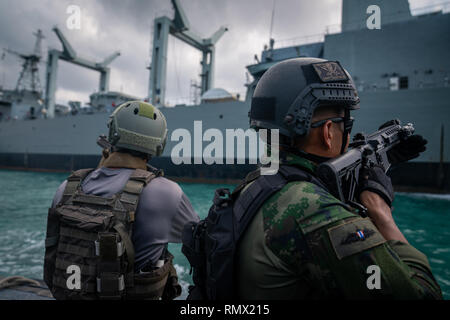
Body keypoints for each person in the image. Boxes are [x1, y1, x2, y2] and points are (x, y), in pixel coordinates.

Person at [234, 58, 442, 299]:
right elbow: (424, 295)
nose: (350, 134)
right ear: (327, 133)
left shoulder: (251, 188)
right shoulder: (316, 213)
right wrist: (381, 213)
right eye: (347, 125)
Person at [44, 101, 199, 300]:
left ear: (112, 133)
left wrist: (102, 168)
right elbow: (198, 237)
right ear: (159, 143)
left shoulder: (67, 187)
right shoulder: (166, 192)